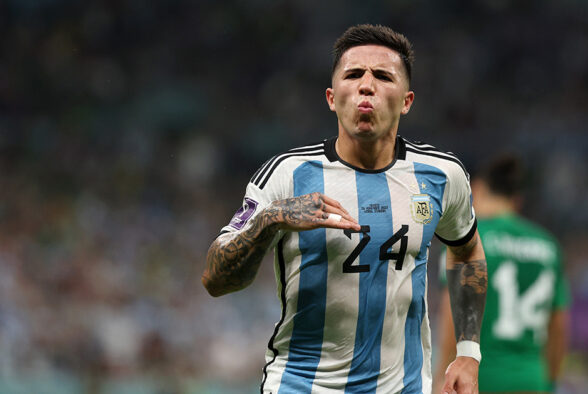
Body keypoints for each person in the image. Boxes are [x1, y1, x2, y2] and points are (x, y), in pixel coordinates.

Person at [202, 24, 487, 394]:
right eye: (353, 75)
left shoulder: (441, 175)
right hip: (300, 386)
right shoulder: (287, 174)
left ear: (407, 100)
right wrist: (270, 220)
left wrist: (468, 352)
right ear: (332, 97)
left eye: (383, 76)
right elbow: (215, 279)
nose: (366, 86)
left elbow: (466, 252)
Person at [436, 155, 570, 393]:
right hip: (532, 380)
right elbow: (558, 328)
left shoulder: (468, 241)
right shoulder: (548, 246)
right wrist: (550, 382)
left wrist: (440, 380)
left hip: (480, 379)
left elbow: (452, 316)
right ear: (517, 200)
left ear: (475, 189)